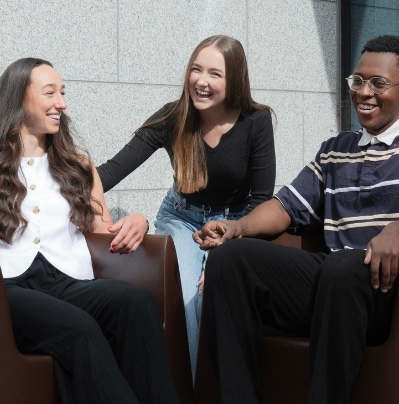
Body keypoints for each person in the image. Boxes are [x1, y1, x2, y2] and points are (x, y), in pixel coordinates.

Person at [193, 35, 399, 403]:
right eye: (357, 81)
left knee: (345, 265)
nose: (364, 92)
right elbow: (286, 205)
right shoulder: (336, 150)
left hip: (393, 292)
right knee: (230, 260)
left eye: (378, 83)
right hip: (333, 285)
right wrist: (238, 227)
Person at [0, 58, 179, 404]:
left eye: (63, 93)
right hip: (4, 288)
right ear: (18, 99)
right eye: (50, 93)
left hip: (67, 282)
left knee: (135, 304)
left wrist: (137, 221)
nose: (61, 102)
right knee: (78, 328)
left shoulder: (77, 165)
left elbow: (103, 227)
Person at [97, 35, 275, 375]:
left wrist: (227, 251)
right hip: (181, 219)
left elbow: (262, 200)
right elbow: (110, 172)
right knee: (189, 300)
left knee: (219, 295)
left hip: (235, 223)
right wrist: (49, 178)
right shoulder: (174, 116)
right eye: (196, 70)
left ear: (234, 78)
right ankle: (194, 390)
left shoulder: (257, 121)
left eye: (214, 74)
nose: (201, 82)